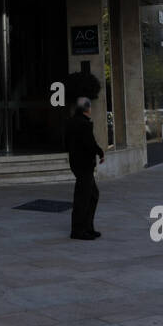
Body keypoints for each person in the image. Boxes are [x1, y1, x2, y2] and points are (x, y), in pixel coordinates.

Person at [63, 97, 104, 240]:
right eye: (90, 107)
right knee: (83, 198)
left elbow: (66, 142)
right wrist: (99, 152)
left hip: (77, 163)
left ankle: (87, 227)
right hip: (84, 165)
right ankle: (78, 231)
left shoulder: (72, 122)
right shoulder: (84, 124)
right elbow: (90, 143)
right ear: (87, 109)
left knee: (92, 195)